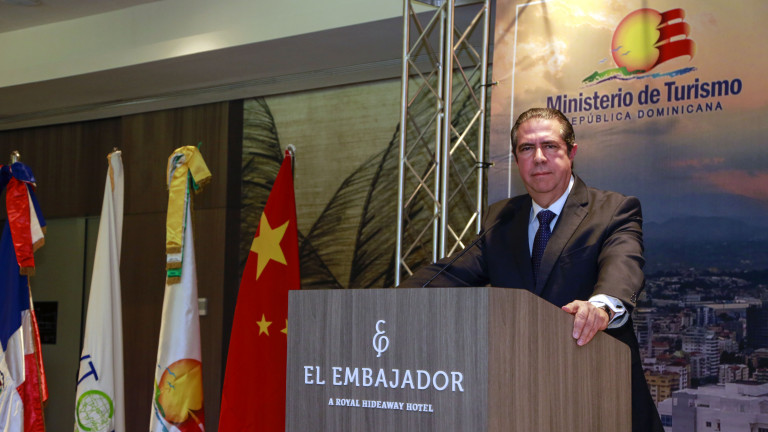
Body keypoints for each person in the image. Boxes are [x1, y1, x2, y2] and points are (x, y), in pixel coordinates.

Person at [400, 107, 664, 432]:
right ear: (516, 159)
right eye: (527, 148)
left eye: (549, 146)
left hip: (600, 393)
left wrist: (600, 307)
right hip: (522, 400)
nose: (538, 158)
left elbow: (623, 264)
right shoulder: (501, 217)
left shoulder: (614, 210)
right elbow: (450, 273)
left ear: (571, 152)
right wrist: (385, 302)